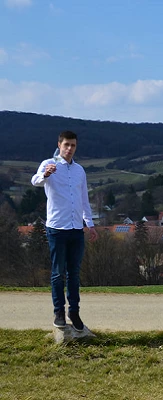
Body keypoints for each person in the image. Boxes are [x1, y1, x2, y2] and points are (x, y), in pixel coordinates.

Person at [31, 130, 98, 331]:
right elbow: (35, 181)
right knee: (58, 273)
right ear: (59, 145)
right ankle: (58, 312)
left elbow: (84, 199)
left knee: (74, 274)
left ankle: (74, 312)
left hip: (76, 229)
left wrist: (90, 224)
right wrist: (45, 174)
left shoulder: (80, 171)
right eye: (66, 145)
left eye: (73, 145)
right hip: (57, 229)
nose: (69, 149)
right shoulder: (48, 164)